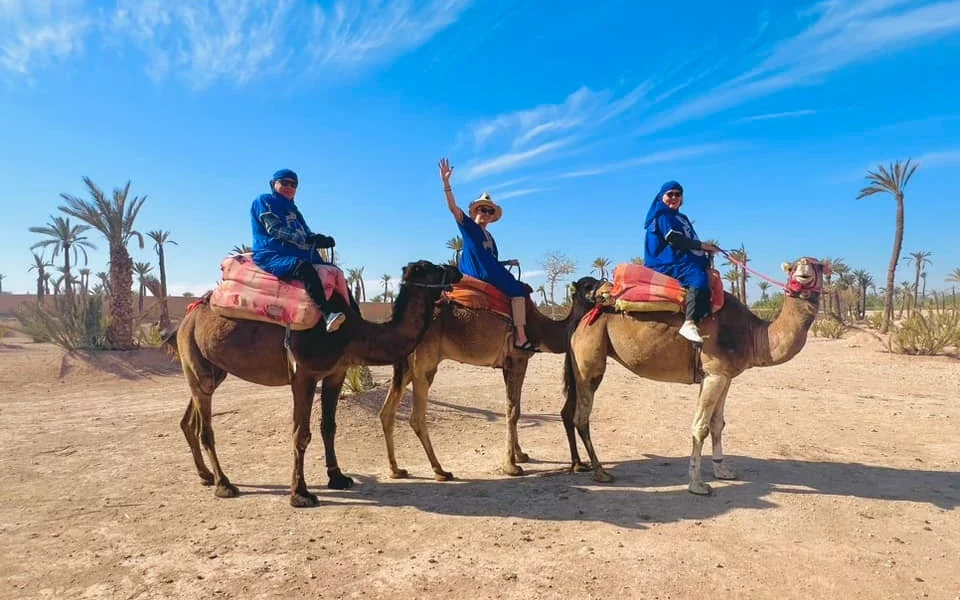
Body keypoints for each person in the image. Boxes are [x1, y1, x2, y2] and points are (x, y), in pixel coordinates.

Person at [438, 158, 537, 351]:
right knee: (517, 289)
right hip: (479, 274)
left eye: (489, 211)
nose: (486, 213)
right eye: (483, 209)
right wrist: (446, 184)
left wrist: (507, 261)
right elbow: (453, 209)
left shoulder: (490, 236)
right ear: (475, 211)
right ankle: (521, 337)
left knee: (521, 288)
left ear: (492, 216)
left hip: (491, 271)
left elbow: (490, 259)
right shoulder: (468, 226)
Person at [250, 168, 347, 333]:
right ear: (274, 184)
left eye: (293, 184)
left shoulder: (294, 210)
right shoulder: (264, 201)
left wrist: (320, 239)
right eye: (284, 183)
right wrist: (306, 239)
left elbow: (306, 233)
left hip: (296, 251)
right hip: (272, 253)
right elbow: (275, 229)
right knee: (304, 268)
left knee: (334, 271)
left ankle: (353, 314)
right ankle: (327, 314)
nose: (289, 187)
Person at [643, 180, 720, 343]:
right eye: (669, 194)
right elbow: (674, 239)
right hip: (664, 262)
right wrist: (702, 246)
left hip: (678, 259)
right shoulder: (663, 215)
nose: (673, 197)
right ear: (661, 196)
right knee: (697, 276)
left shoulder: (680, 217)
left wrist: (705, 249)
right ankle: (689, 322)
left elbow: (688, 240)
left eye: (677, 194)